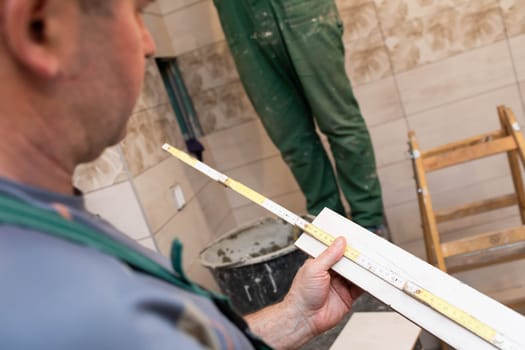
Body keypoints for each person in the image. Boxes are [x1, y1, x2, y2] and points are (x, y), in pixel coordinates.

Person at [0, 0, 362, 349]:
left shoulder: (47, 222)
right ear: (40, 26)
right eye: (136, 12)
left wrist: (295, 318)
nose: (148, 44)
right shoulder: (43, 295)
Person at [213, 0, 386, 234]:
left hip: (301, 10)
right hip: (240, 18)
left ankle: (371, 227)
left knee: (339, 122)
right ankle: (328, 228)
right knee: (292, 139)